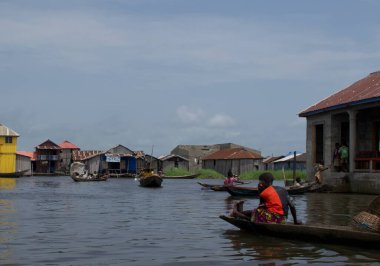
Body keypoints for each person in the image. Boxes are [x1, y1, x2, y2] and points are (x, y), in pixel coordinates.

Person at [231, 172, 301, 225]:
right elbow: (292, 206)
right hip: (283, 219)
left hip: (273, 219)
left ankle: (236, 213)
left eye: (260, 181)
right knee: (256, 212)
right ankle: (239, 212)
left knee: (256, 212)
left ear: (263, 182)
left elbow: (260, 208)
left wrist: (259, 191)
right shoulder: (283, 189)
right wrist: (295, 221)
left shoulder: (264, 192)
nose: (259, 183)